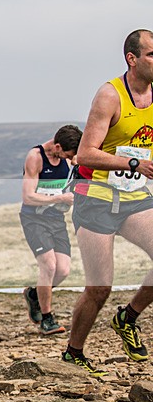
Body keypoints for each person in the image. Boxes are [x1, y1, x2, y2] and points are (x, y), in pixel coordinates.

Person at [65, 29, 153, 375]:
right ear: (132, 59)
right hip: (96, 198)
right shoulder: (110, 95)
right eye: (152, 55)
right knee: (100, 287)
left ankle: (127, 318)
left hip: (134, 198)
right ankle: (74, 352)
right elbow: (85, 154)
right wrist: (133, 163)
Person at [20, 125, 82, 335]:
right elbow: (28, 197)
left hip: (56, 219)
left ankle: (34, 295)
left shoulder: (69, 158)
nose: (70, 159)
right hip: (34, 219)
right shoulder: (35, 157)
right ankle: (47, 319)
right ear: (57, 147)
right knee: (49, 266)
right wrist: (59, 197)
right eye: (67, 154)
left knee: (63, 270)